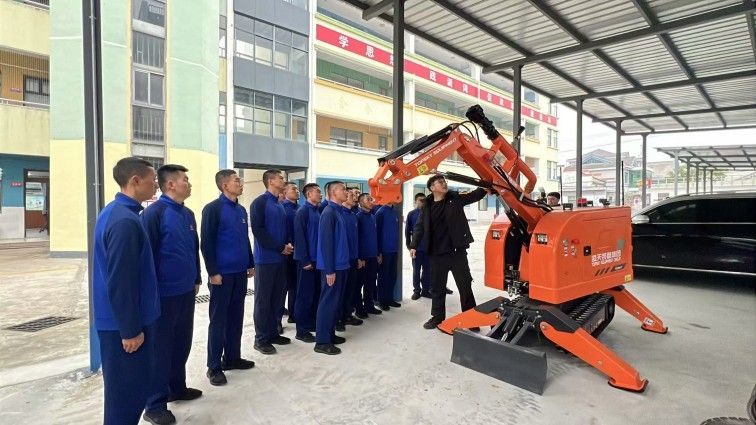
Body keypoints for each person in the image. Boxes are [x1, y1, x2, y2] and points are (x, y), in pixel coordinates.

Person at [93, 157, 160, 425]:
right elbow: (121, 281)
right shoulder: (124, 222)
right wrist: (130, 330)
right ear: (135, 180)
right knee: (126, 399)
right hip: (123, 328)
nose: (156, 185)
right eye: (152, 180)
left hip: (123, 322)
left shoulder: (120, 213)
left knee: (129, 393)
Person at [141, 165, 202, 424]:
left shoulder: (188, 214)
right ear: (170, 185)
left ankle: (177, 387)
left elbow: (193, 248)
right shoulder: (154, 213)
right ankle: (155, 404)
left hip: (186, 291)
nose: (189, 183)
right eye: (185, 180)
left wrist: (197, 278)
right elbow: (146, 257)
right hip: (163, 295)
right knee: (160, 349)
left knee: (182, 342)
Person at [410, 175, 489, 330]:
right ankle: (437, 317)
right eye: (440, 182)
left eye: (444, 181)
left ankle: (471, 319)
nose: (444, 183)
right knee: (437, 288)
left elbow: (474, 195)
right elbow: (419, 226)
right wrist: (413, 245)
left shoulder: (455, 198)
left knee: (465, 287)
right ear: (432, 187)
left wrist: (485, 186)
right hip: (436, 254)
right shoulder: (426, 205)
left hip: (456, 253)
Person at [200, 170, 255, 387]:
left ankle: (232, 357)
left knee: (236, 317)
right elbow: (207, 243)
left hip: (240, 272)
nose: (241, 183)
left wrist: (250, 263)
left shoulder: (241, 210)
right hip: (221, 275)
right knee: (219, 321)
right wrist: (213, 272)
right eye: (236, 180)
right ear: (225, 185)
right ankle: (214, 366)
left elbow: (244, 239)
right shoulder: (213, 209)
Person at [250, 169, 293, 355]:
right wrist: (279, 247)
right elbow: (258, 231)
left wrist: (287, 244)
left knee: (277, 298)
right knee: (263, 300)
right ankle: (260, 339)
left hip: (281, 258)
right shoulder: (260, 202)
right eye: (280, 178)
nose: (283, 180)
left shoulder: (279, 204)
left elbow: (284, 230)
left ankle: (273, 333)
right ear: (270, 181)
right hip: (265, 259)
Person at [314, 181, 350, 355]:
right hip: (332, 267)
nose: (346, 192)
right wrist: (329, 270)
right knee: (327, 303)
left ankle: (330, 334)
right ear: (334, 192)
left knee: (335, 302)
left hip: (341, 265)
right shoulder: (329, 213)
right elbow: (326, 244)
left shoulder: (338, 211)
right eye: (343, 189)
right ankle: (322, 342)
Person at [293, 183, 322, 343]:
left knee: (315, 294)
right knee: (304, 296)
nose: (320, 194)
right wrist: (305, 260)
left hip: (318, 260)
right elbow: (299, 237)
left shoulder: (317, 211)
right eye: (317, 192)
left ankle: (311, 323)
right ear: (309, 194)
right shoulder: (302, 211)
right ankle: (301, 330)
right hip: (307, 261)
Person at [338, 187, 364, 330]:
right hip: (342, 260)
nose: (354, 197)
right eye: (351, 195)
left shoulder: (353, 215)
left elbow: (356, 239)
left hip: (353, 259)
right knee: (340, 291)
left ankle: (347, 315)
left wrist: (358, 257)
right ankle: (338, 319)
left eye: (355, 195)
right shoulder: (338, 214)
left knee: (350, 289)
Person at [355, 193, 382, 317]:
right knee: (359, 284)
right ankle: (359, 309)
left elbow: (375, 237)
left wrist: (378, 253)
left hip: (373, 256)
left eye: (372, 199)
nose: (371, 201)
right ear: (361, 202)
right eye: (368, 199)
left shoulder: (372, 216)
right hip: (363, 258)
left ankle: (369, 306)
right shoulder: (358, 217)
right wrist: (359, 257)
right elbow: (356, 239)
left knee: (371, 283)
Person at [375, 201, 401, 311]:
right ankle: (381, 301)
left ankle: (389, 299)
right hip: (384, 251)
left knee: (392, 275)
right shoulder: (380, 212)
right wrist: (379, 252)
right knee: (383, 277)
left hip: (394, 250)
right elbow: (377, 233)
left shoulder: (394, 212)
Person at [281, 181, 300, 324]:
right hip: (284, 252)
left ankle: (294, 313)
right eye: (293, 189)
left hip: (298, 253)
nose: (297, 191)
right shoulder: (282, 208)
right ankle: (278, 317)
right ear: (285, 192)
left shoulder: (300, 209)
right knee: (282, 286)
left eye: (297, 189)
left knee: (295, 285)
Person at [406, 193, 430, 300]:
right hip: (416, 249)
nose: (423, 202)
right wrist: (409, 246)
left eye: (424, 200)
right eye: (421, 200)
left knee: (427, 270)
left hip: (428, 248)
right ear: (415, 201)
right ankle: (416, 291)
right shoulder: (411, 214)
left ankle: (425, 290)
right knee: (416, 271)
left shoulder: (429, 213)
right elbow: (407, 232)